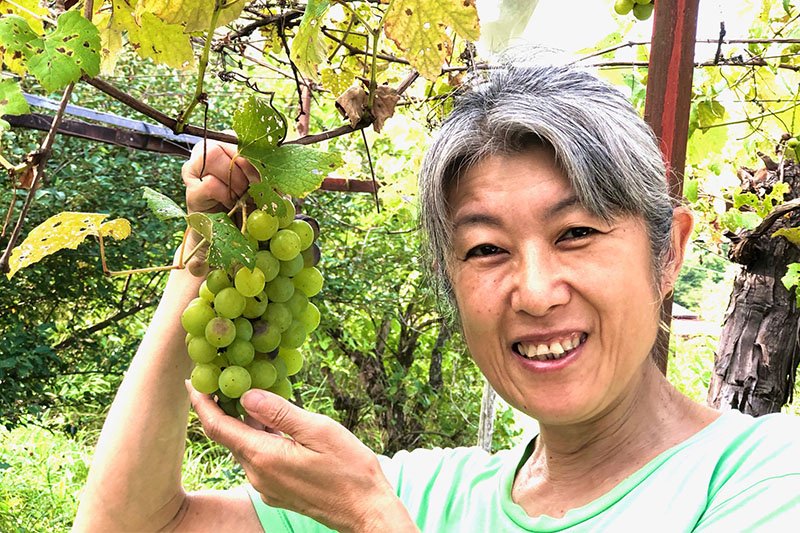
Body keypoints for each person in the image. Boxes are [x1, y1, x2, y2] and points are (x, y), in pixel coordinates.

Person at [72, 64, 800, 532]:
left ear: (667, 252)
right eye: (485, 248)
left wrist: (373, 520)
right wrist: (205, 253)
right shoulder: (431, 490)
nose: (538, 292)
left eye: (576, 231)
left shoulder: (766, 479)